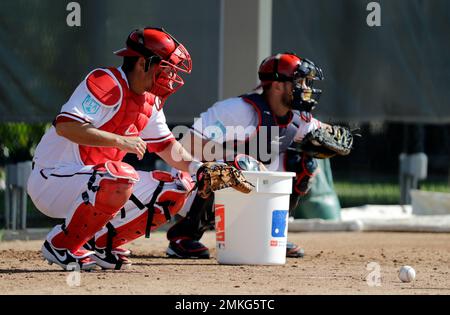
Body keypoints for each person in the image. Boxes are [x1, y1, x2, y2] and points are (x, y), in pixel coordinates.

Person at [27, 27, 239, 271]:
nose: (170, 77)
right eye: (165, 68)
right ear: (142, 63)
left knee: (177, 187)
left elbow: (167, 146)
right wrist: (119, 141)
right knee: (121, 175)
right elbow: (66, 126)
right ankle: (61, 244)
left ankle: (100, 244)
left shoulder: (149, 101)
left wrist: (199, 169)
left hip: (93, 182)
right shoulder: (105, 81)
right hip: (52, 179)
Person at [162, 52, 330, 259]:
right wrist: (241, 158)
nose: (305, 88)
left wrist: (336, 140)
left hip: (246, 193)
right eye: (299, 81)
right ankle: (185, 235)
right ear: (277, 86)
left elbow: (326, 134)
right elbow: (188, 144)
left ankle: (270, 232)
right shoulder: (237, 110)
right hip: (190, 185)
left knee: (304, 163)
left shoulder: (299, 118)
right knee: (238, 164)